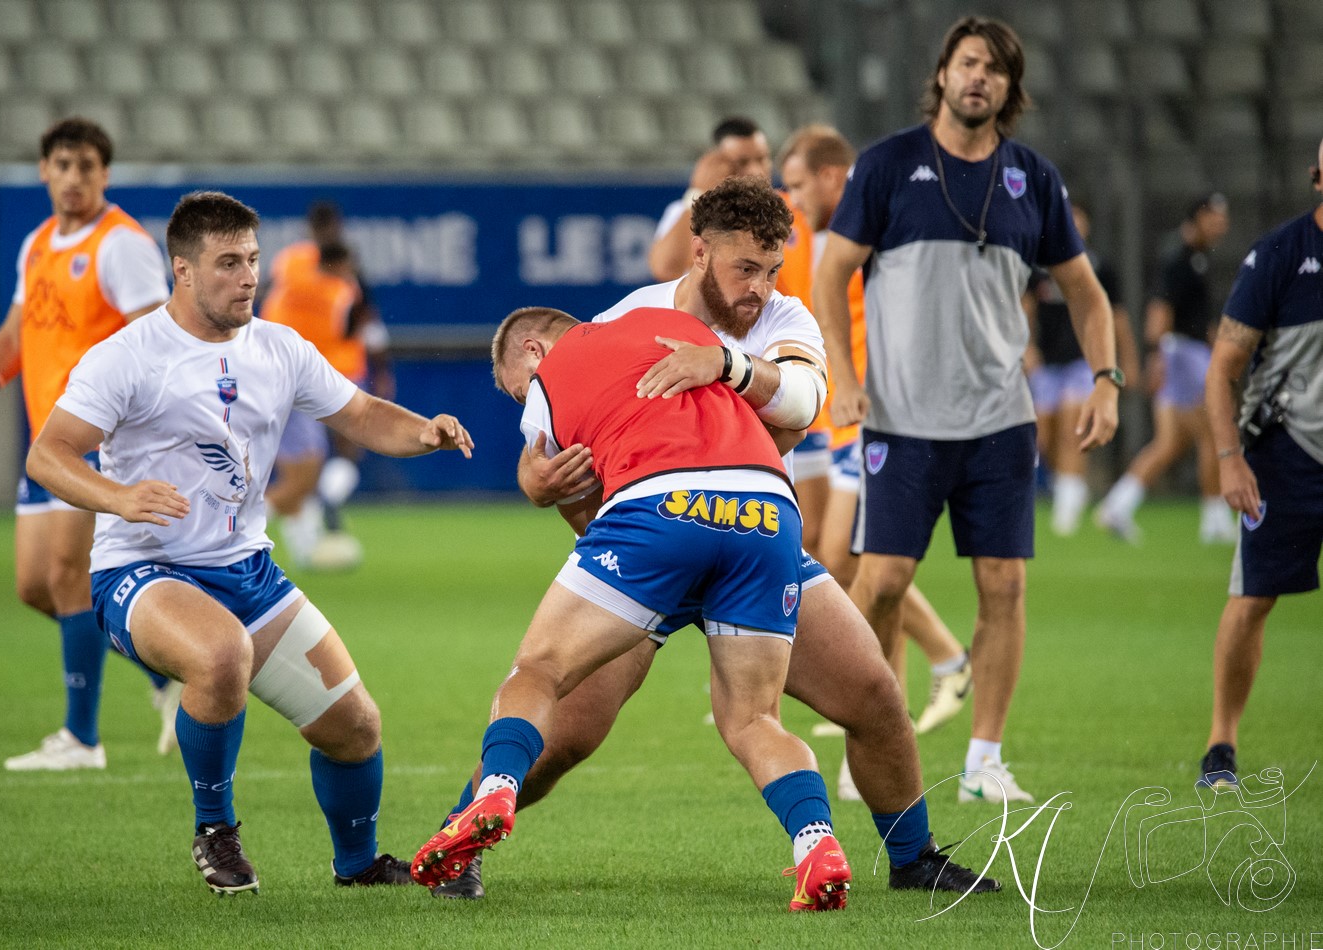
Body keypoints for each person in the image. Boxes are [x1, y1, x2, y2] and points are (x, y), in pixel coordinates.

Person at [431, 178, 998, 901]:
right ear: (698, 256)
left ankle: (913, 857)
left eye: (770, 270)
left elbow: (803, 404)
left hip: (696, 528)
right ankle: (461, 838)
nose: (760, 288)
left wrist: (723, 366)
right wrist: (534, 482)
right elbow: (553, 441)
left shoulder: (782, 317)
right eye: (744, 270)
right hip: (733, 525)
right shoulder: (633, 312)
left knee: (875, 698)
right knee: (573, 734)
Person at [24, 190, 473, 894]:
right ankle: (216, 830)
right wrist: (118, 497)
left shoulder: (278, 347)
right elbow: (47, 455)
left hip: (246, 571)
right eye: (228, 262)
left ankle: (356, 866)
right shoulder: (129, 356)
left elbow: (360, 415)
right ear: (182, 271)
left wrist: (425, 430)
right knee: (220, 653)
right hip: (142, 572)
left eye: (253, 260)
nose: (247, 277)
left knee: (355, 727)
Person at [412, 303, 854, 911]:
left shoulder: (549, 379)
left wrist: (540, 485)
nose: (526, 403)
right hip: (769, 509)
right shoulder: (673, 325)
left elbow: (580, 500)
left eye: (520, 392)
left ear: (534, 353)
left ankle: (494, 789)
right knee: (754, 719)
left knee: (539, 670)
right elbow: (783, 415)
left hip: (660, 506)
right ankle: (816, 842)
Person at [812, 17, 1120, 805]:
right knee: (878, 584)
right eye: (967, 63)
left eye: (995, 69)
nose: (978, 77)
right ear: (942, 75)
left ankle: (983, 761)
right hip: (902, 418)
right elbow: (830, 271)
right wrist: (843, 375)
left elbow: (1084, 292)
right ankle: (865, 744)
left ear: (1011, 91)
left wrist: (1106, 377)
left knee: (1003, 587)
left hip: (998, 419)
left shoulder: (1033, 180)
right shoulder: (887, 166)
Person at [0, 117, 178, 770]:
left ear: (105, 174)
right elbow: (14, 336)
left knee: (70, 577)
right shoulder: (38, 242)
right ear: (44, 170)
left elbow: (154, 339)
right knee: (35, 588)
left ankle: (81, 739)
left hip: (97, 439)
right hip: (48, 440)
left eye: (87, 166)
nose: (74, 178)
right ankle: (162, 672)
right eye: (63, 165)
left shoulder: (120, 244)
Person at [777, 124, 972, 798]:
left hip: (873, 403)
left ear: (833, 175)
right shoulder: (804, 229)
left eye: (800, 184)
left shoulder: (880, 217)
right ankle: (927, 674)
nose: (794, 198)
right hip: (835, 404)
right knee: (846, 559)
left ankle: (908, 690)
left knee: (852, 558)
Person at [1196, 145, 1323, 789]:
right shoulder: (1279, 256)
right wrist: (1230, 460)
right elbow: (1223, 369)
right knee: (1252, 599)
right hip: (1286, 453)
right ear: (1318, 178)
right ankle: (1221, 744)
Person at [642, 118, 828, 551]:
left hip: (790, 359)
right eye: (740, 161)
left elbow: (798, 410)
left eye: (762, 157)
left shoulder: (787, 212)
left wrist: (726, 363)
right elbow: (665, 268)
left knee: (823, 541)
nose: (756, 168)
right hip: (770, 375)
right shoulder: (689, 220)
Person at [263, 203, 394, 570]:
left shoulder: (290, 264)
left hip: (282, 373)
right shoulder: (343, 285)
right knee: (314, 469)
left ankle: (306, 542)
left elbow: (264, 301)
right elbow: (364, 324)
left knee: (299, 472)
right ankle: (241, 534)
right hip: (324, 376)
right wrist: (381, 367)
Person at [1096, 194, 1233, 544]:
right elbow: (1159, 310)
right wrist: (1157, 357)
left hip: (1182, 353)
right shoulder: (1180, 257)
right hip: (1182, 354)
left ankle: (1117, 504)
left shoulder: (1198, 257)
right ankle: (1215, 518)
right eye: (1216, 217)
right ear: (1199, 217)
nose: (1223, 225)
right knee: (1214, 432)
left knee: (1170, 443)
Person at [1025, 202, 1139, 536]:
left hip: (1081, 362)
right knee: (1042, 437)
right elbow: (1025, 310)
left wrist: (1125, 361)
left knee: (1071, 427)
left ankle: (1068, 503)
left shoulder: (1098, 267)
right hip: (1047, 363)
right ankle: (1068, 487)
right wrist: (1026, 348)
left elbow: (1115, 317)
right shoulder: (1038, 267)